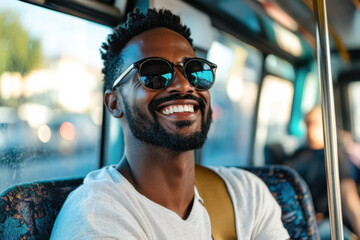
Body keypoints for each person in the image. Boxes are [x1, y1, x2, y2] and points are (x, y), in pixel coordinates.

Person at [50, 8, 289, 239]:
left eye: (195, 71)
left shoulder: (248, 195)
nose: (184, 85)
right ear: (114, 103)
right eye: (154, 74)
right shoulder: (96, 218)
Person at [289, 106, 360, 239]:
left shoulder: (334, 156)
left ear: (326, 125)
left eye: (314, 124)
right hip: (294, 220)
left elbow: (348, 194)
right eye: (307, 123)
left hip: (323, 220)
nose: (310, 129)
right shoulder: (298, 155)